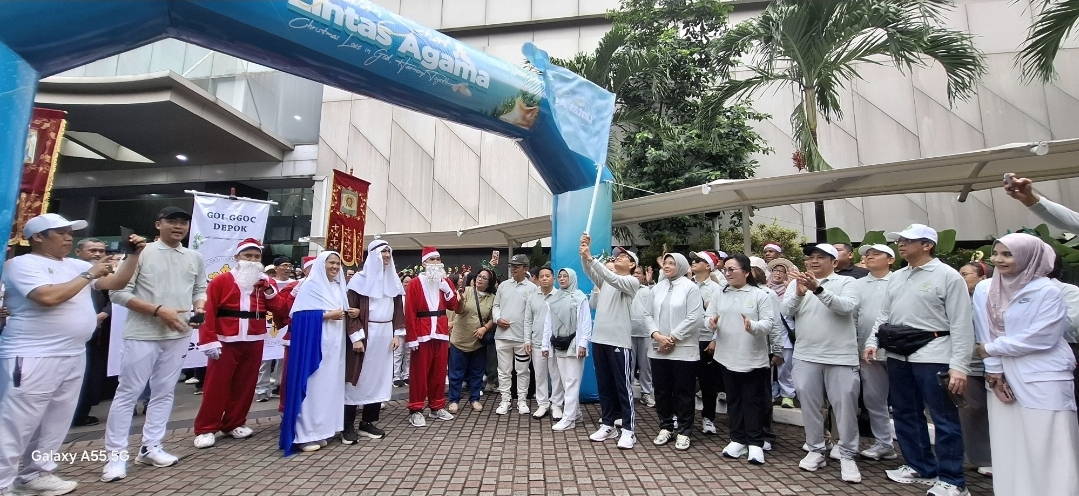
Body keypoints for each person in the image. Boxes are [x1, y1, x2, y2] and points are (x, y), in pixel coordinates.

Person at [0, 214, 144, 496]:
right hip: (31, 354)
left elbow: (115, 283)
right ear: (38, 237)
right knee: (18, 421)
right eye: (61, 232)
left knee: (56, 419)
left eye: (70, 233)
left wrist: (133, 256)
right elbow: (48, 297)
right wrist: (89, 274)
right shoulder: (20, 264)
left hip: (73, 352)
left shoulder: (75, 265)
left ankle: (35, 474)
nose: (68, 237)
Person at [864, 224, 974, 496]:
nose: (901, 244)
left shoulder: (947, 276)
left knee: (944, 419)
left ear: (928, 245)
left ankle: (952, 480)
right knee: (904, 412)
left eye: (908, 240)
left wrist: (959, 366)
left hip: (934, 353)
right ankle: (921, 467)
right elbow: (884, 314)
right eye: (900, 240)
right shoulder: (898, 276)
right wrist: (872, 341)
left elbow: (961, 323)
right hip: (899, 353)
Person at [102, 206, 207, 483]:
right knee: (129, 393)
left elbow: (199, 289)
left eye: (183, 222)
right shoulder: (141, 252)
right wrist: (159, 310)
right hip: (142, 333)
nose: (178, 226)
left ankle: (151, 446)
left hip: (180, 334)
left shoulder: (194, 256)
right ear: (158, 224)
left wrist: (199, 308)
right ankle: (116, 456)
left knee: (164, 392)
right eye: (171, 221)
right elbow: (117, 292)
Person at [972, 233, 1079, 495]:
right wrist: (994, 370)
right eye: (997, 253)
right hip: (1002, 378)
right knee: (1008, 445)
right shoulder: (986, 289)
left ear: (1029, 257)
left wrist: (991, 349)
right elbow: (984, 331)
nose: (999, 259)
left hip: (1044, 375)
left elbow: (1043, 337)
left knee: (1050, 444)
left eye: (1008, 254)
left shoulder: (1047, 290)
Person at [780, 243, 862, 484]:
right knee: (809, 405)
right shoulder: (797, 284)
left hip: (840, 356)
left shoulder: (848, 283)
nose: (813, 261)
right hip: (805, 354)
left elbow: (846, 307)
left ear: (834, 263)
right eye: (810, 258)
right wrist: (798, 292)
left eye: (820, 257)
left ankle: (847, 454)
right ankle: (816, 449)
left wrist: (818, 289)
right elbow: (786, 310)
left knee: (844, 407)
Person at [192, 239, 284, 449]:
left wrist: (269, 291)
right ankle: (206, 427)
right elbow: (208, 311)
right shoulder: (220, 281)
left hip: (254, 339)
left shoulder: (266, 283)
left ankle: (235, 422)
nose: (252, 260)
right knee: (216, 386)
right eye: (247, 256)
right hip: (226, 340)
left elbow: (278, 307)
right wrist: (208, 340)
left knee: (245, 385)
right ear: (237, 258)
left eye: (256, 257)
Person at [279, 251, 354, 455]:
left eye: (338, 264)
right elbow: (300, 316)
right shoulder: (310, 286)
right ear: (322, 264)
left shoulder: (339, 287)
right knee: (313, 386)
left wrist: (349, 313)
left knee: (329, 388)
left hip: (335, 346)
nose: (335, 267)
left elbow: (341, 310)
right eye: (331, 263)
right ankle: (304, 435)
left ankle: (322, 431)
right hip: (316, 344)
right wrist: (328, 315)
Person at [708, 255, 775, 463]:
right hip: (727, 356)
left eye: (732, 269)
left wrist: (752, 326)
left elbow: (769, 324)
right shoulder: (720, 293)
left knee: (752, 401)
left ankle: (755, 443)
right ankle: (737, 439)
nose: (727, 273)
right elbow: (708, 317)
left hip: (752, 357)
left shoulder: (760, 294)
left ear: (746, 272)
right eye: (725, 269)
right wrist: (711, 323)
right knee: (734, 399)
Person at [580, 234, 641, 449]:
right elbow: (590, 271)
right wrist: (585, 251)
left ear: (632, 264)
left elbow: (612, 277)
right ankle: (608, 425)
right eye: (616, 256)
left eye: (623, 257)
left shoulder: (632, 282)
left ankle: (628, 430)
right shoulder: (606, 282)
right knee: (605, 386)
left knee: (623, 387)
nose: (617, 258)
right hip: (600, 340)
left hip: (618, 342)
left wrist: (592, 258)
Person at [342, 241, 405, 443]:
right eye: (383, 251)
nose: (386, 255)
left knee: (378, 379)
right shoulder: (358, 282)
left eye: (389, 251)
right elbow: (350, 312)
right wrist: (356, 338)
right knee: (357, 379)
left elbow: (397, 310)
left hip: (385, 335)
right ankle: (347, 425)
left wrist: (397, 334)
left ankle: (367, 422)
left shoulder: (393, 280)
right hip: (365, 334)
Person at [641, 253, 701, 451]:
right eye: (665, 263)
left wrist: (673, 337)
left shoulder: (690, 287)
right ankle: (666, 425)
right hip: (659, 347)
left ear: (681, 266)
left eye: (671, 263)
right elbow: (647, 314)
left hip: (683, 348)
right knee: (662, 389)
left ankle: (684, 430)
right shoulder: (657, 287)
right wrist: (657, 336)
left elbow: (694, 316)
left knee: (684, 391)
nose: (666, 266)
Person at [851, 244, 899, 461]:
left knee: (905, 400)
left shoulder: (900, 281)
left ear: (890, 259)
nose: (869, 257)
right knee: (873, 398)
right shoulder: (856, 284)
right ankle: (884, 444)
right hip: (866, 351)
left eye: (876, 254)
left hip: (899, 349)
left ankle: (914, 450)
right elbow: (851, 316)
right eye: (867, 255)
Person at [403, 246, 459, 427]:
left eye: (438, 259)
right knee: (419, 373)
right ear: (424, 262)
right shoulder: (414, 284)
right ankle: (416, 409)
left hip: (441, 331)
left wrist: (448, 290)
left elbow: (454, 306)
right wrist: (411, 337)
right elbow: (409, 311)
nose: (436, 262)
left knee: (439, 372)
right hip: (422, 332)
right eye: (432, 259)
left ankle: (436, 406)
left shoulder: (446, 281)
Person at [956, 258, 993, 475]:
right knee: (973, 410)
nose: (961, 278)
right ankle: (981, 457)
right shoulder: (958, 299)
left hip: (995, 363)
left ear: (982, 278)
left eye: (966, 274)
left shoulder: (992, 300)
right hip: (969, 365)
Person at [72, 238, 112, 427]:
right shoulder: (70, 270)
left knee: (90, 374)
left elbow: (115, 296)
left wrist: (103, 314)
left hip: (99, 332)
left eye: (101, 250)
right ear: (78, 252)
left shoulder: (107, 274)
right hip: (71, 333)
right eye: (92, 250)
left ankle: (82, 411)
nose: (97, 254)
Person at [547, 268, 592, 431]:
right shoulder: (554, 298)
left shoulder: (580, 297)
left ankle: (568, 419)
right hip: (559, 344)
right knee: (566, 382)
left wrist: (583, 343)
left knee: (572, 381)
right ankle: (576, 414)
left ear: (572, 278)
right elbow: (549, 322)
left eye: (565, 276)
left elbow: (586, 322)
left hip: (574, 344)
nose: (562, 279)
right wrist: (547, 344)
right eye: (560, 276)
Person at [448, 268, 497, 413]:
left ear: (489, 283)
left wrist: (484, 329)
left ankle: (475, 399)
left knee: (477, 372)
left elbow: (493, 318)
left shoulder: (492, 298)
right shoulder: (467, 291)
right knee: (456, 372)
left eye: (484, 278)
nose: (480, 279)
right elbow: (458, 311)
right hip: (460, 339)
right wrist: (461, 300)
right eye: (479, 276)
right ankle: (453, 400)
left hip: (478, 341)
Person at [492, 254, 536, 415]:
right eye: (512, 266)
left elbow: (534, 313)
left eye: (516, 267)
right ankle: (505, 400)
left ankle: (522, 400)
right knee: (503, 370)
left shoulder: (532, 288)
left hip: (522, 338)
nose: (513, 269)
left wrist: (528, 338)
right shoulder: (503, 285)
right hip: (502, 336)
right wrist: (497, 319)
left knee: (523, 370)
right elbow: (495, 305)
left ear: (526, 269)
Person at [688, 251, 723, 435]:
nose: (693, 262)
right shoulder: (685, 285)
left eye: (699, 260)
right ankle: (683, 417)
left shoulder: (717, 289)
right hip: (686, 340)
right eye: (693, 259)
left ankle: (708, 418)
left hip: (706, 341)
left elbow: (722, 317)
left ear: (709, 266)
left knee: (708, 383)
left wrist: (715, 340)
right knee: (684, 381)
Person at [524, 266, 564, 419]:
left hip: (555, 344)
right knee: (540, 376)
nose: (545, 278)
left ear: (553, 278)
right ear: (538, 279)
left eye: (548, 276)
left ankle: (556, 405)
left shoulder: (560, 296)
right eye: (542, 276)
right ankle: (542, 404)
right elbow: (528, 320)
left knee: (556, 375)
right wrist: (527, 339)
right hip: (537, 342)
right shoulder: (532, 297)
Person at [767, 258, 797, 409]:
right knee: (768, 365)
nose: (777, 273)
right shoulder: (765, 288)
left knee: (785, 367)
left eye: (781, 271)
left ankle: (788, 395)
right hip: (768, 333)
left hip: (785, 332)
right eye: (775, 270)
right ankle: (771, 393)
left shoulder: (790, 290)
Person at [629, 265, 655, 408]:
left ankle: (646, 393)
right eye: (633, 273)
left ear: (643, 276)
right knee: (629, 365)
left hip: (645, 333)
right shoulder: (625, 289)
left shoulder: (648, 291)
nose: (636, 275)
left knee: (646, 366)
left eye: (638, 273)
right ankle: (629, 394)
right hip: (627, 333)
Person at [393, 273, 414, 388]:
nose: (407, 284)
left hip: (411, 328)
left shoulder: (414, 296)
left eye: (410, 282)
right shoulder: (398, 297)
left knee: (408, 353)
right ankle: (396, 376)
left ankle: (406, 375)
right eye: (405, 282)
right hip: (400, 328)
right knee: (398, 353)